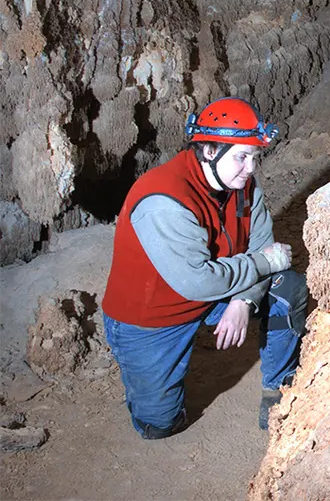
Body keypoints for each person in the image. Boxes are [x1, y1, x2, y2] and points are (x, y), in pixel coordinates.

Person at [101, 97, 307, 439]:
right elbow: (199, 280)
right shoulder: (164, 199)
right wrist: (261, 264)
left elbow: (259, 243)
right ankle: (153, 389)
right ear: (209, 150)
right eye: (241, 156)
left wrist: (243, 301)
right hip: (153, 319)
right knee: (158, 426)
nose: (250, 168)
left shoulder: (241, 186)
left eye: (254, 157)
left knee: (287, 287)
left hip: (215, 293)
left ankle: (278, 389)